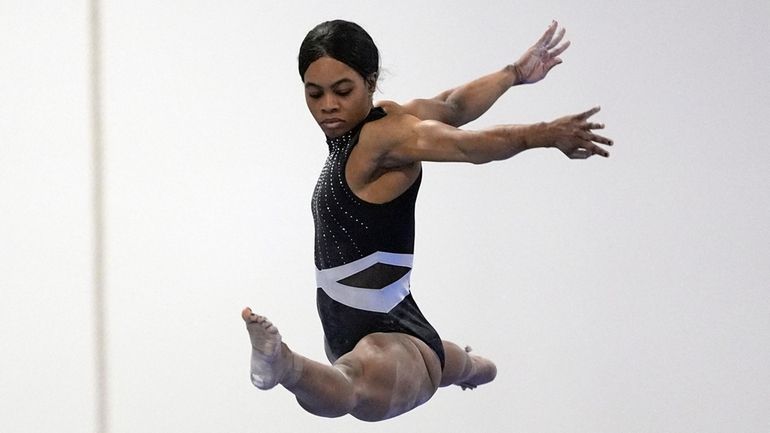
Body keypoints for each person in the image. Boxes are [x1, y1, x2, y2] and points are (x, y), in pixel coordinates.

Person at [242, 19, 612, 422]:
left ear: (370, 81)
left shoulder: (387, 138)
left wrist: (543, 133)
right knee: (454, 364)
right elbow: (454, 105)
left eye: (342, 91)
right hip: (369, 321)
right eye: (315, 94)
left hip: (388, 336)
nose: (328, 105)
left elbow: (467, 146)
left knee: (352, 389)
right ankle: (470, 368)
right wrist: (514, 74)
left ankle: (284, 364)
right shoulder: (377, 125)